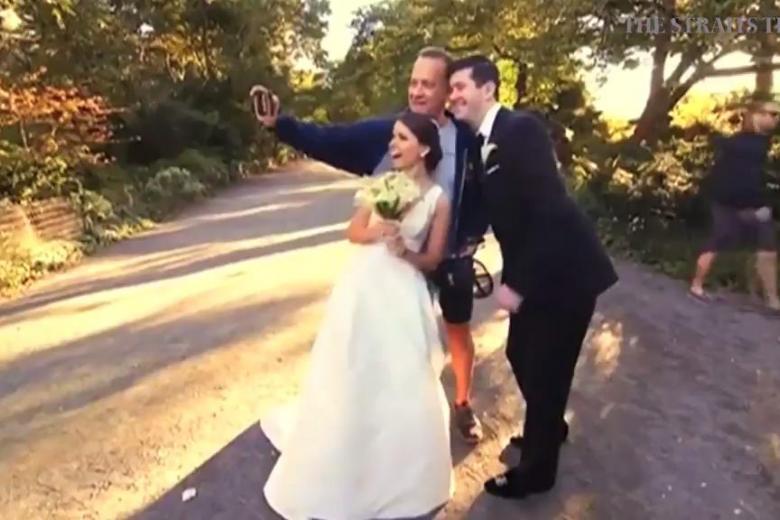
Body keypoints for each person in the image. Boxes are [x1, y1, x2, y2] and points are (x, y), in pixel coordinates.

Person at [250, 46, 489, 443]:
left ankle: (463, 404)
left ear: (448, 90)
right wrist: (282, 125)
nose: (416, 90)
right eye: (413, 81)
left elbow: (489, 191)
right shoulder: (389, 132)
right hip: (397, 264)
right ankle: (382, 415)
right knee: (396, 342)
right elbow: (332, 139)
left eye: (428, 84)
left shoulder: (467, 140)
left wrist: (470, 238)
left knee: (458, 333)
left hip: (450, 258)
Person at [261, 111, 454, 519]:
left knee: (405, 375)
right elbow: (354, 232)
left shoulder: (440, 200)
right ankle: (344, 459)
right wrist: (381, 232)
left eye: (401, 138)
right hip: (363, 285)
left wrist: (408, 251)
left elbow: (434, 258)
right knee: (352, 368)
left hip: (404, 290)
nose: (393, 145)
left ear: (423, 147)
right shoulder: (383, 184)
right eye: (392, 138)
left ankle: (401, 473)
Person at [447, 55, 619, 499]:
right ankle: (549, 426)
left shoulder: (520, 130)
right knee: (522, 354)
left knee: (545, 370)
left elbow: (549, 211)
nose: (453, 96)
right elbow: (499, 206)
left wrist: (516, 284)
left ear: (488, 89)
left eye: (460, 86)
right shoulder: (483, 139)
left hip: (566, 273)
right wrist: (467, 242)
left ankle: (536, 473)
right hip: (540, 271)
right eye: (451, 89)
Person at [689, 99, 780, 312]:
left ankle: (770, 298)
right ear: (757, 115)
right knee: (721, 240)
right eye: (772, 114)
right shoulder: (751, 145)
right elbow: (744, 179)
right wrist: (758, 206)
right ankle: (697, 285)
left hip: (734, 200)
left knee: (765, 245)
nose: (776, 119)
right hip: (732, 202)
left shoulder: (752, 141)